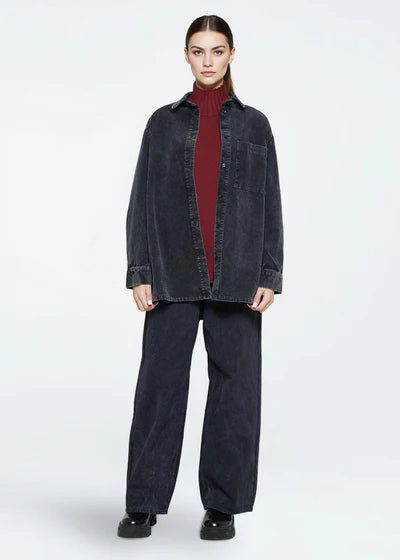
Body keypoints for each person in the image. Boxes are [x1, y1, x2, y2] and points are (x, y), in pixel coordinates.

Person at [117, 14, 284, 540]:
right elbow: (141, 198)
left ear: (231, 54)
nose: (207, 61)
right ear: (186, 56)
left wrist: (269, 271)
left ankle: (222, 506)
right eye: (197, 51)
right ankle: (143, 502)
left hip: (238, 277)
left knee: (236, 393)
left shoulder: (255, 125)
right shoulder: (162, 123)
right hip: (172, 273)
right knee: (159, 387)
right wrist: (140, 270)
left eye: (216, 51)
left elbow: (271, 203)